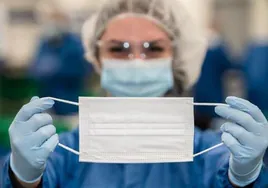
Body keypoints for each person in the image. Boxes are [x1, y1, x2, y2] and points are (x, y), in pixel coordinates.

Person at [2, 0, 268, 187]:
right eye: (119, 49)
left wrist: (244, 176)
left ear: (176, 58)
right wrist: (22, 175)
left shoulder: (208, 152)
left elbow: (226, 175)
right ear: (96, 59)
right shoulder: (65, 152)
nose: (136, 61)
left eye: (153, 49)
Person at [29, 5, 93, 116]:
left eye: (54, 22)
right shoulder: (45, 42)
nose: (51, 26)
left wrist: (55, 70)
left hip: (70, 100)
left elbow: (82, 69)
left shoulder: (74, 44)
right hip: (47, 98)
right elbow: (35, 67)